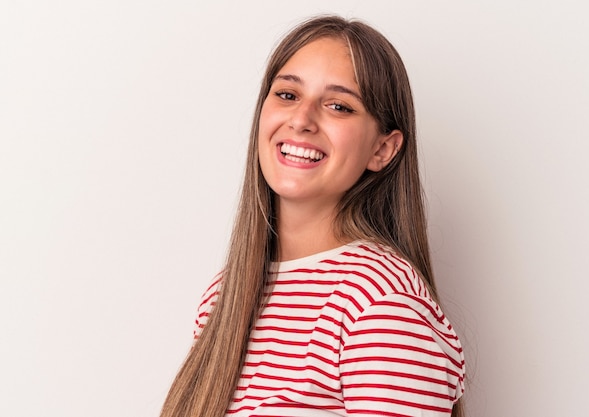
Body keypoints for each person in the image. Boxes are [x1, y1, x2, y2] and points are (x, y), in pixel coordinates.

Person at [160, 15, 465, 417]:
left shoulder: (377, 302)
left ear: (383, 150)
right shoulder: (222, 299)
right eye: (287, 95)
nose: (301, 120)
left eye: (339, 106)